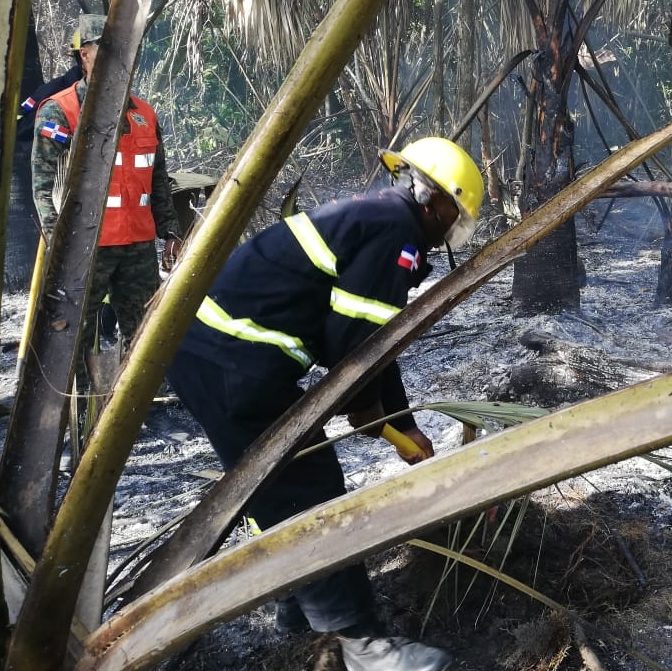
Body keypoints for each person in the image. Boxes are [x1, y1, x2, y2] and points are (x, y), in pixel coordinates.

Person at [166, 137, 482, 671]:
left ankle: (295, 604)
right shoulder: (397, 235)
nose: (456, 226)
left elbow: (375, 345)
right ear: (437, 201)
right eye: (458, 212)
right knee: (307, 489)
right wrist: (373, 414)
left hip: (209, 354)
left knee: (269, 485)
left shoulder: (380, 216)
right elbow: (355, 347)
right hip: (236, 364)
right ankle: (362, 645)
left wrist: (397, 424)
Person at [30, 14, 182, 386]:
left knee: (144, 328)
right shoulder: (59, 111)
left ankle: (139, 403)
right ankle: (80, 405)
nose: (119, 58)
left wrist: (171, 230)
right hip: (86, 249)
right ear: (85, 54)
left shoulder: (145, 113)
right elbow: (43, 186)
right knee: (72, 334)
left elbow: (158, 179)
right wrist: (60, 245)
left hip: (137, 245)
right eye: (107, 49)